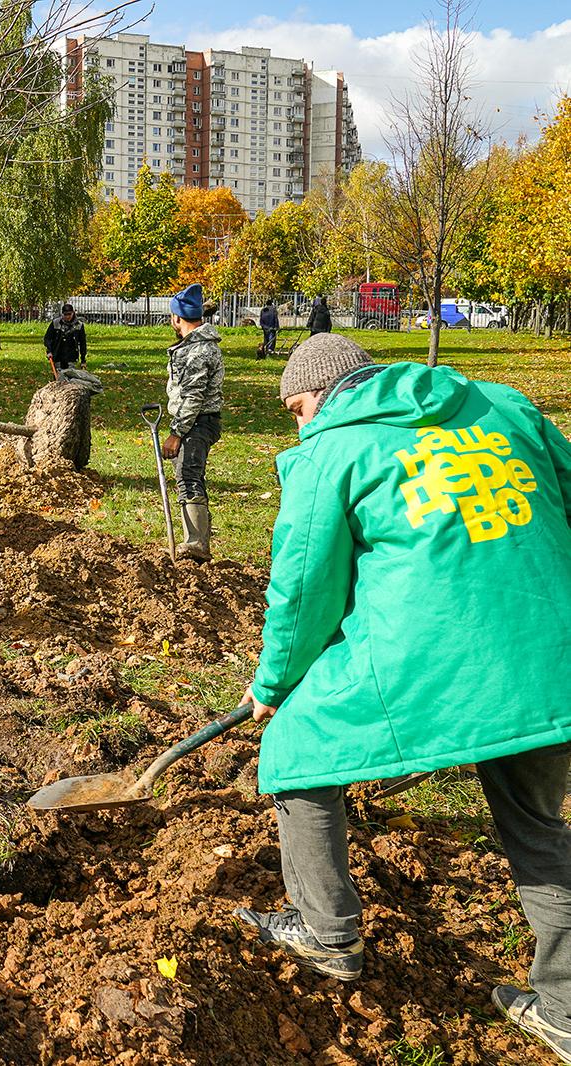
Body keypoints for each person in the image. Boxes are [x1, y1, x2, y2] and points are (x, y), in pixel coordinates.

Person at [234, 334, 571, 1063]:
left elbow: (302, 592)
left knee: (294, 749)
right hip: (551, 655)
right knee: (537, 829)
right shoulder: (501, 406)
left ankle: (326, 934)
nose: (298, 424)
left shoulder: (333, 453)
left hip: (436, 663)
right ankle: (568, 1012)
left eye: (296, 408)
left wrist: (273, 688)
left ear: (326, 392)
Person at [160, 282, 223, 562]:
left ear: (177, 317)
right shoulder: (193, 346)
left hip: (197, 421)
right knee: (190, 475)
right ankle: (195, 541)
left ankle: (196, 544)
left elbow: (194, 397)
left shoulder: (199, 350)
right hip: (192, 421)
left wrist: (176, 433)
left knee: (188, 476)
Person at [43, 302, 87, 377]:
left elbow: (82, 343)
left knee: (71, 377)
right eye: (65, 314)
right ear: (62, 314)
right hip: (58, 355)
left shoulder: (79, 325)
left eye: (69, 314)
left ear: (73, 313)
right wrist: (49, 351)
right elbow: (47, 338)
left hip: (71, 356)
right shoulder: (56, 323)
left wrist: (83, 360)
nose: (67, 316)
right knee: (58, 377)